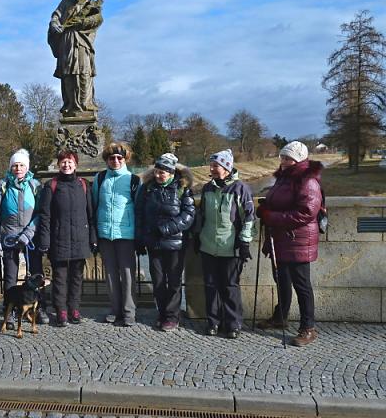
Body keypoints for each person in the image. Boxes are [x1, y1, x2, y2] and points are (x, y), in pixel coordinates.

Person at [256, 141, 323, 347]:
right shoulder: (284, 177)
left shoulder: (307, 180)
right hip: (282, 238)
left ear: (299, 159)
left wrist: (271, 216)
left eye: (288, 158)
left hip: (298, 240)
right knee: (282, 280)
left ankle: (308, 328)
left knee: (302, 285)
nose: (284, 161)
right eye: (283, 157)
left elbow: (306, 212)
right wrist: (266, 207)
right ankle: (280, 317)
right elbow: (280, 201)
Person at [196, 149, 254, 339]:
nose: (212, 169)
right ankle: (213, 322)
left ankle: (233, 324)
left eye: (216, 166)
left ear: (227, 168)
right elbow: (201, 215)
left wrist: (244, 242)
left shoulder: (240, 188)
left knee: (230, 287)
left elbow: (249, 217)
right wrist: (197, 236)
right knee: (211, 286)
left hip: (231, 247)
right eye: (211, 165)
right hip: (208, 246)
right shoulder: (207, 188)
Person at [37, 150, 97, 326]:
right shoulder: (51, 186)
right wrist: (45, 241)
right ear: (58, 165)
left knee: (77, 278)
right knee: (60, 278)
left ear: (76, 164)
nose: (66, 165)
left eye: (70, 162)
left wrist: (93, 238)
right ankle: (61, 310)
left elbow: (91, 215)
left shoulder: (84, 185)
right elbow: (45, 216)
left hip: (80, 239)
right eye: (63, 162)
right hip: (59, 239)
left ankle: (74, 308)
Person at [135, 153, 195, 332]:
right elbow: (139, 214)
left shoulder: (182, 188)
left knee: (174, 281)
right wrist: (140, 238)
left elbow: (189, 215)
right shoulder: (147, 189)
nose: (159, 175)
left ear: (171, 173)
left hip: (175, 244)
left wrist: (167, 228)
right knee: (159, 281)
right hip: (154, 243)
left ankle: (172, 316)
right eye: (157, 171)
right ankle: (162, 313)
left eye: (163, 172)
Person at [0, 149, 49, 329]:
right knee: (10, 276)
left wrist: (28, 234)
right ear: (10, 167)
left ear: (27, 167)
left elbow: (40, 213)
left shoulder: (35, 186)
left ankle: (38, 308)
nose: (18, 168)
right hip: (9, 237)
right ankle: (9, 312)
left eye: (21, 165)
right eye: (15, 165)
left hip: (30, 238)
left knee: (36, 275)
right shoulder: (2, 185)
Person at [92, 142, 140, 327]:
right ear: (107, 160)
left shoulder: (133, 180)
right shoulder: (100, 178)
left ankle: (129, 312)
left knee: (127, 274)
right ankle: (115, 309)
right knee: (111, 274)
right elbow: (95, 204)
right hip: (105, 233)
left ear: (125, 158)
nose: (116, 160)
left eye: (119, 157)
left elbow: (138, 207)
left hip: (126, 234)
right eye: (112, 158)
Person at [48, 0, 103, 116]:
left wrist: (83, 22)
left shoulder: (91, 5)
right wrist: (54, 24)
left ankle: (86, 104)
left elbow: (98, 20)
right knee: (67, 73)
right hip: (66, 40)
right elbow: (56, 15)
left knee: (84, 71)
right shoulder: (67, 0)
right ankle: (70, 105)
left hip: (82, 40)